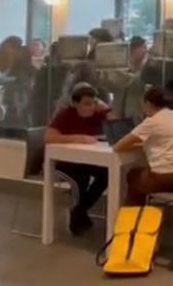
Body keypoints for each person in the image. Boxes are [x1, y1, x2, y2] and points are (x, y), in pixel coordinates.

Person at [45, 83, 111, 236]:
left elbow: (117, 125)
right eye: (86, 104)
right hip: (64, 162)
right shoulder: (65, 114)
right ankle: (79, 216)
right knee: (80, 180)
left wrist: (106, 108)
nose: (90, 107)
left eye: (93, 103)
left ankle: (79, 210)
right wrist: (78, 138)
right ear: (75, 104)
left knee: (107, 174)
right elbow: (49, 137)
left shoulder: (97, 113)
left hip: (86, 160)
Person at [114, 85, 173, 205]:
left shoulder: (152, 121)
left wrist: (139, 145)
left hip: (163, 178)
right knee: (141, 176)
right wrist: (145, 144)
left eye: (143, 105)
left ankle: (132, 217)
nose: (143, 110)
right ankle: (143, 215)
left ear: (148, 103)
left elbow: (119, 146)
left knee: (133, 176)